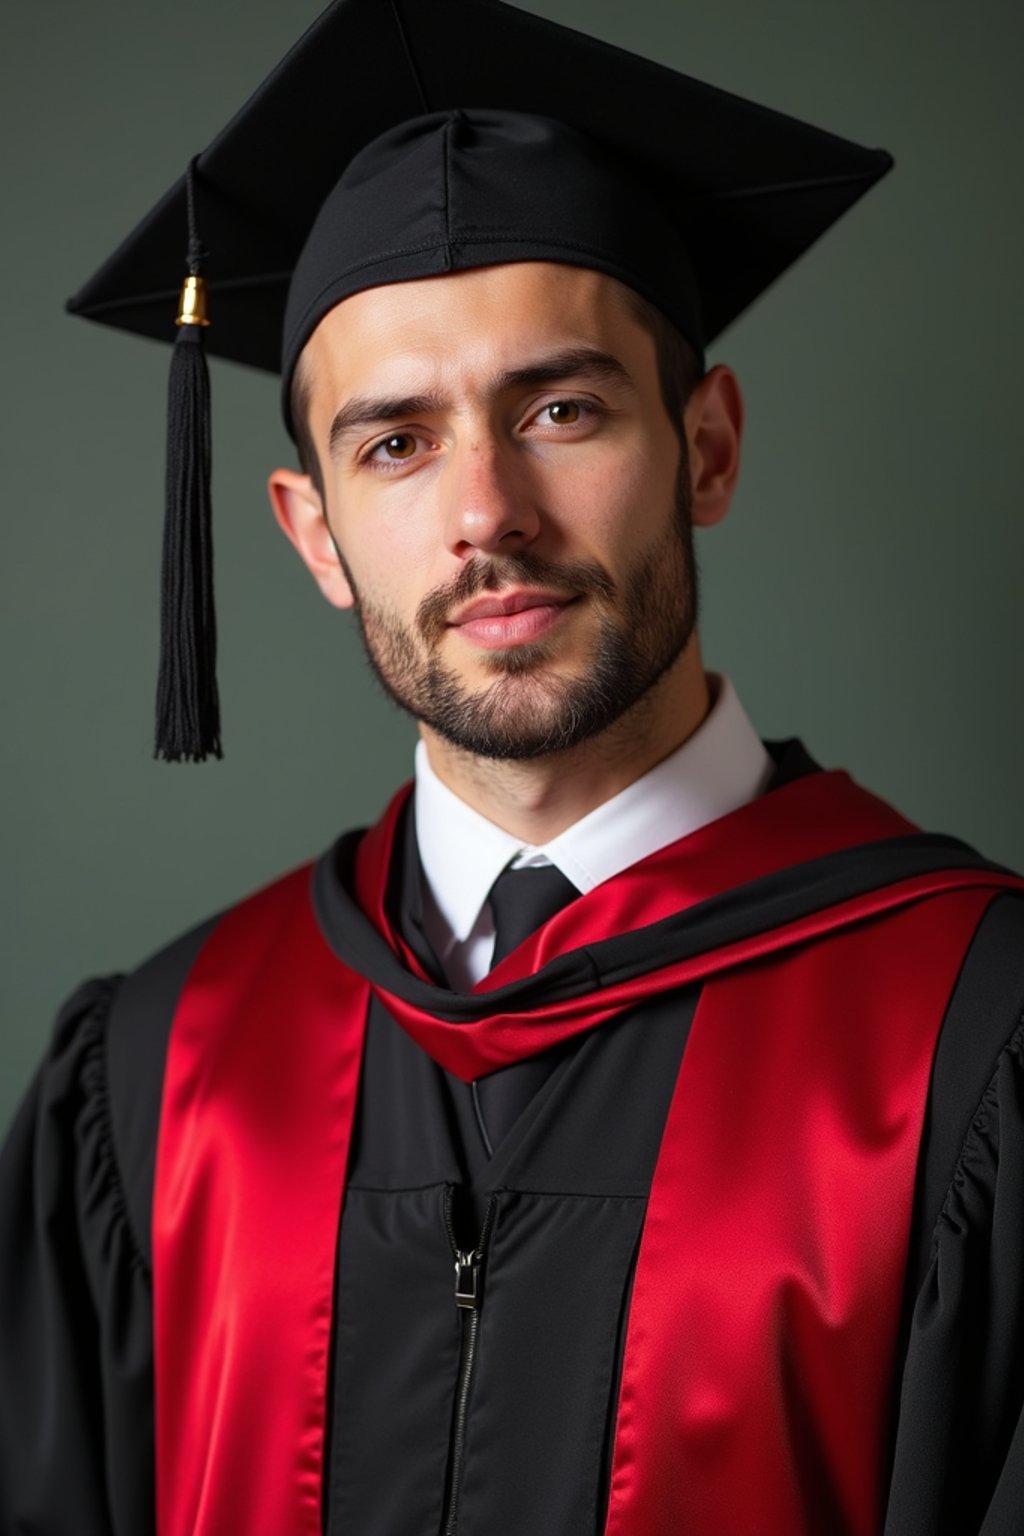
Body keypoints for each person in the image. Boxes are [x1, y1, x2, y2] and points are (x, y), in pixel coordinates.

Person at [1, 1, 1022, 1533]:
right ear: (312, 531)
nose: (486, 511)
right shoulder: (160, 1075)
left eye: (559, 408)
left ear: (710, 446)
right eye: (395, 444)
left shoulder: (979, 1033)